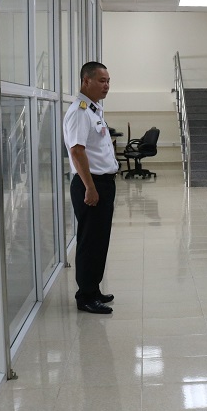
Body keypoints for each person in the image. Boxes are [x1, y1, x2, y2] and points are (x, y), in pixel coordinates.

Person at [63, 62, 119, 314]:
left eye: (108, 81)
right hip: (91, 183)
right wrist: (90, 187)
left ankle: (93, 288)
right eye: (101, 81)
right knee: (90, 241)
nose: (106, 86)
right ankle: (85, 296)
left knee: (99, 240)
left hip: (102, 183)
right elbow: (77, 151)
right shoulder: (80, 111)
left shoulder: (94, 110)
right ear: (86, 81)